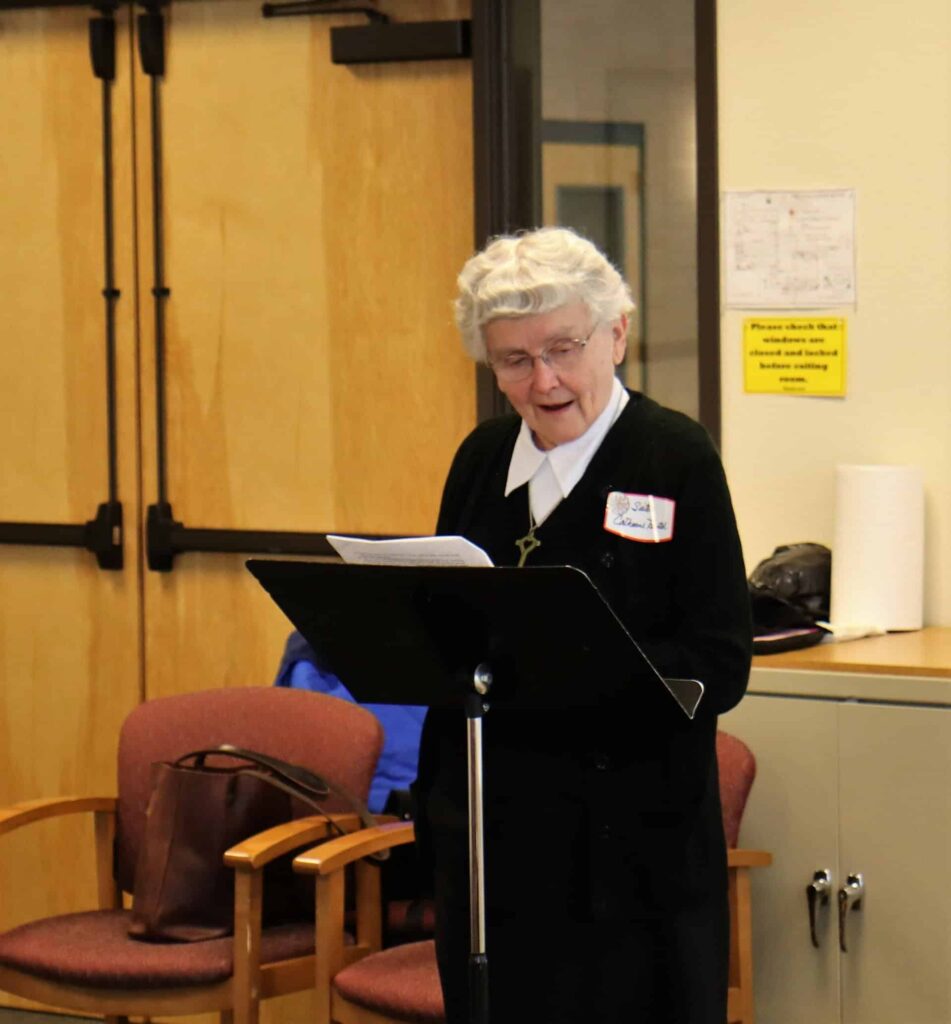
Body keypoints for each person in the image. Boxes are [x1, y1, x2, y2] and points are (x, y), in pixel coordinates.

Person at [413, 226, 752, 1023]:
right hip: (495, 841)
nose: (546, 381)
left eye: (564, 349)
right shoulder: (480, 458)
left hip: (629, 856)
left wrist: (585, 665)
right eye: (514, 361)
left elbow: (719, 661)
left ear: (618, 334)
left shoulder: (673, 458)